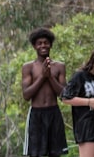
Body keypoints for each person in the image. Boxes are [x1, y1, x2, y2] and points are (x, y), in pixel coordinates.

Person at [21, 28, 68, 157]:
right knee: (36, 153)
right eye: (39, 43)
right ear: (34, 46)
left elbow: (64, 94)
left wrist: (50, 77)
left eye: (46, 42)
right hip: (36, 115)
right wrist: (42, 77)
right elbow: (26, 95)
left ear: (51, 44)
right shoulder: (28, 67)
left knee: (55, 153)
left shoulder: (59, 66)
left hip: (54, 113)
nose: (43, 45)